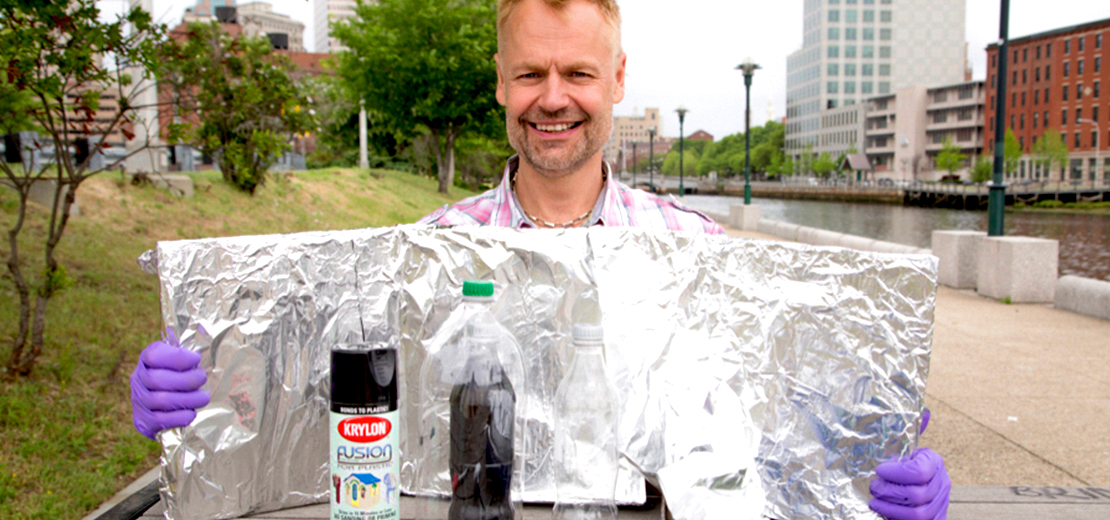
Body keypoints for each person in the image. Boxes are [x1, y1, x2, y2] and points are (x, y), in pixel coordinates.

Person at [130, 1, 949, 518]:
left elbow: (789, 426)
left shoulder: (698, 256)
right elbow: (319, 404)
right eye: (531, 73)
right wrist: (195, 401)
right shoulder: (425, 258)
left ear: (617, 79)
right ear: (499, 81)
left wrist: (879, 473)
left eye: (578, 72)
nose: (552, 97)